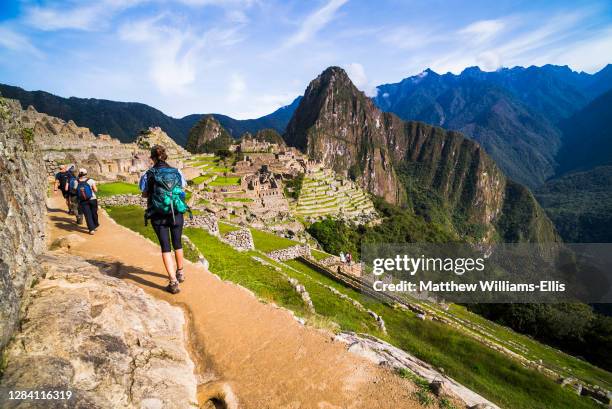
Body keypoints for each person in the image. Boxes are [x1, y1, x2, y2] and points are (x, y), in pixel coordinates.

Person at [140, 145, 189, 294]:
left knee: (165, 247)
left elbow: (144, 194)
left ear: (152, 158)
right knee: (178, 243)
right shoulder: (177, 172)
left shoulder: (148, 174)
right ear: (165, 156)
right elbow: (182, 188)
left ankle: (173, 283)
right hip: (176, 212)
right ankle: (180, 273)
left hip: (158, 214)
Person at [76, 168, 99, 234]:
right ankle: (95, 225)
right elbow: (95, 190)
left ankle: (91, 229)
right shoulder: (90, 180)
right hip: (92, 199)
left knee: (87, 214)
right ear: (86, 174)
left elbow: (74, 190)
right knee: (94, 213)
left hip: (83, 200)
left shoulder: (76, 181)